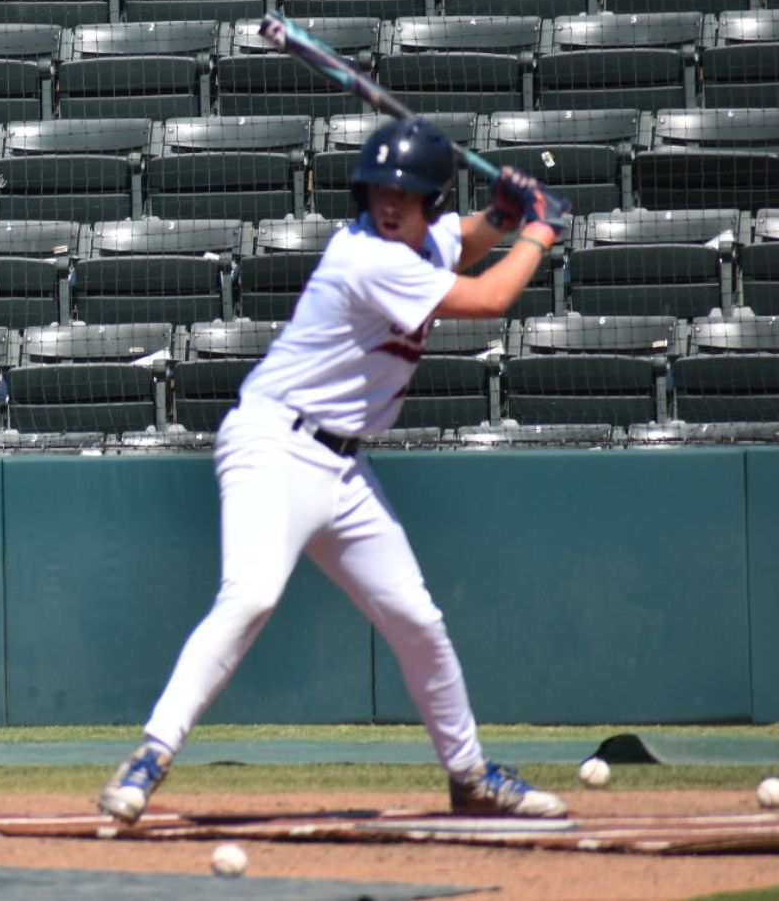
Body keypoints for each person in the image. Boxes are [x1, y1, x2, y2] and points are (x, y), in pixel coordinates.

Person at [100, 116, 572, 825]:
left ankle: (470, 776)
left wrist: (503, 216)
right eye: (380, 190)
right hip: (273, 443)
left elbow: (462, 241)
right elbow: (489, 299)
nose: (389, 203)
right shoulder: (369, 257)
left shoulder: (418, 242)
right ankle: (152, 755)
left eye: (404, 194)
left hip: (344, 469)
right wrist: (538, 231)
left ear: (429, 203)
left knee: (417, 618)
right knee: (251, 596)